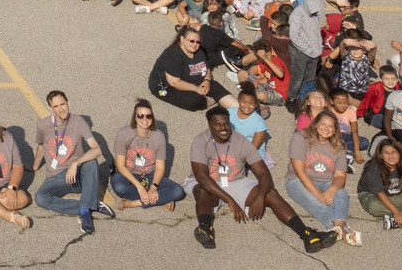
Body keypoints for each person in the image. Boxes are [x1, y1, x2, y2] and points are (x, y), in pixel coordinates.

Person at [189, 106, 337, 254]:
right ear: (210, 125)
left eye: (226, 123)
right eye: (218, 124)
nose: (223, 127)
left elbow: (263, 172)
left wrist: (260, 197)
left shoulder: (240, 141)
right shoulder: (201, 141)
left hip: (235, 181)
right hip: (208, 183)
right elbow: (202, 177)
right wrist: (230, 201)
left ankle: (306, 234)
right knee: (202, 190)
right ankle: (205, 228)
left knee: (270, 193)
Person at [34, 89, 114, 234]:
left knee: (91, 162)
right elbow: (41, 146)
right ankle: (90, 204)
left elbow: (97, 150)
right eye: (56, 106)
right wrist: (34, 166)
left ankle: (84, 213)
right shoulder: (43, 125)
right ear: (51, 108)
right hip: (56, 176)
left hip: (77, 176)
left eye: (63, 104)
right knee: (40, 198)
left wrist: (75, 164)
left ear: (68, 103)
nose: (61, 109)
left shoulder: (79, 122)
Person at [285, 110, 357, 245]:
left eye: (331, 126)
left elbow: (340, 176)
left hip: (326, 181)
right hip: (297, 180)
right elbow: (298, 170)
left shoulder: (339, 147)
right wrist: (318, 195)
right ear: (316, 124)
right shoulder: (300, 138)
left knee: (341, 194)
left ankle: (336, 231)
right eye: (323, 124)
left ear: (335, 129)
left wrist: (333, 189)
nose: (326, 128)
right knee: (315, 202)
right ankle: (343, 232)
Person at [110, 100, 184, 214]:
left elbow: (160, 168)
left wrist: (154, 187)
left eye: (148, 116)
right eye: (140, 116)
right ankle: (161, 199)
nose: (144, 119)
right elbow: (120, 166)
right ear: (135, 117)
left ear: (152, 118)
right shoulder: (124, 134)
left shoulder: (159, 136)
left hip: (150, 175)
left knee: (178, 191)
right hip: (129, 174)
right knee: (119, 186)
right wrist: (140, 187)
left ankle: (135, 203)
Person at [150, 27, 225, 113]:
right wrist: (196, 89)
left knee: (216, 87)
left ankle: (228, 104)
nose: (195, 44)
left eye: (198, 42)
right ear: (182, 39)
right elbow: (174, 82)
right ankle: (217, 101)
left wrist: (207, 80)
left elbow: (206, 67)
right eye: (192, 41)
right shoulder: (172, 54)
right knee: (194, 101)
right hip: (166, 86)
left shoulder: (198, 51)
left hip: (189, 80)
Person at [357, 137, 402, 232]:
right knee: (373, 206)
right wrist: (396, 212)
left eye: (394, 152)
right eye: (386, 153)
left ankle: (396, 221)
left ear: (399, 153)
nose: (391, 156)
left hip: (396, 195)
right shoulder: (373, 169)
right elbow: (380, 193)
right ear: (381, 155)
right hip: (373, 195)